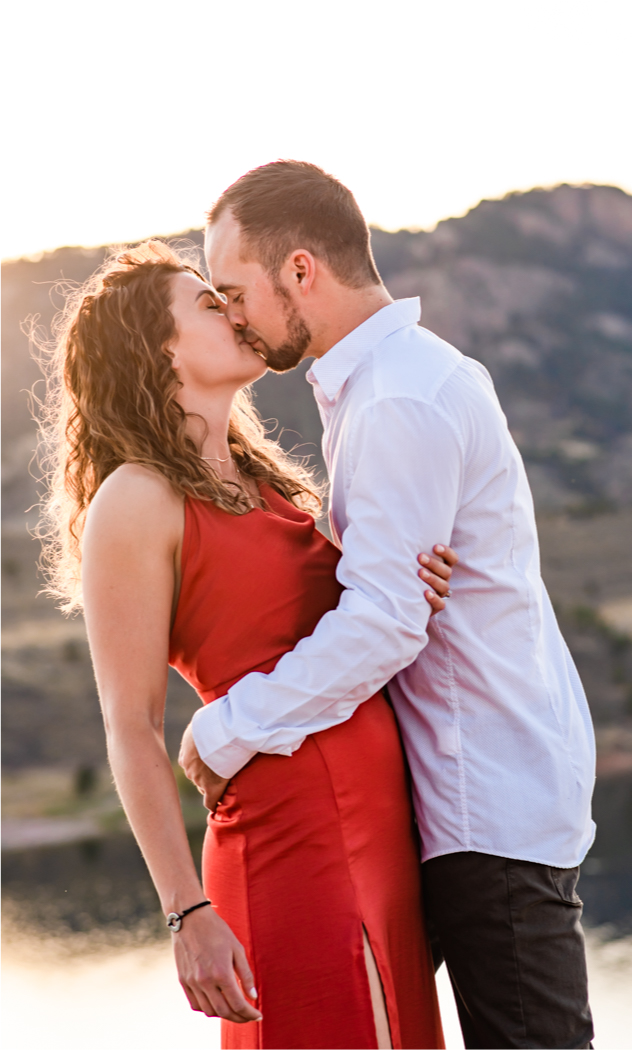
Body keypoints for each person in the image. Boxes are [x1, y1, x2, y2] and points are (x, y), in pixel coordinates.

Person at [178, 160, 598, 1049]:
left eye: (233, 290)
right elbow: (396, 600)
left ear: (300, 270)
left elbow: (385, 621)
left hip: (487, 801)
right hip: (457, 794)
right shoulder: (388, 383)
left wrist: (229, 727)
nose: (232, 315)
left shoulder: (396, 399)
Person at [38, 241, 456, 1048]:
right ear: (158, 348)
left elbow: (355, 627)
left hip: (385, 831)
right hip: (285, 837)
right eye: (206, 303)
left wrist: (416, 582)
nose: (234, 311)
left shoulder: (269, 483)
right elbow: (130, 727)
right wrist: (187, 912)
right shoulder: (137, 498)